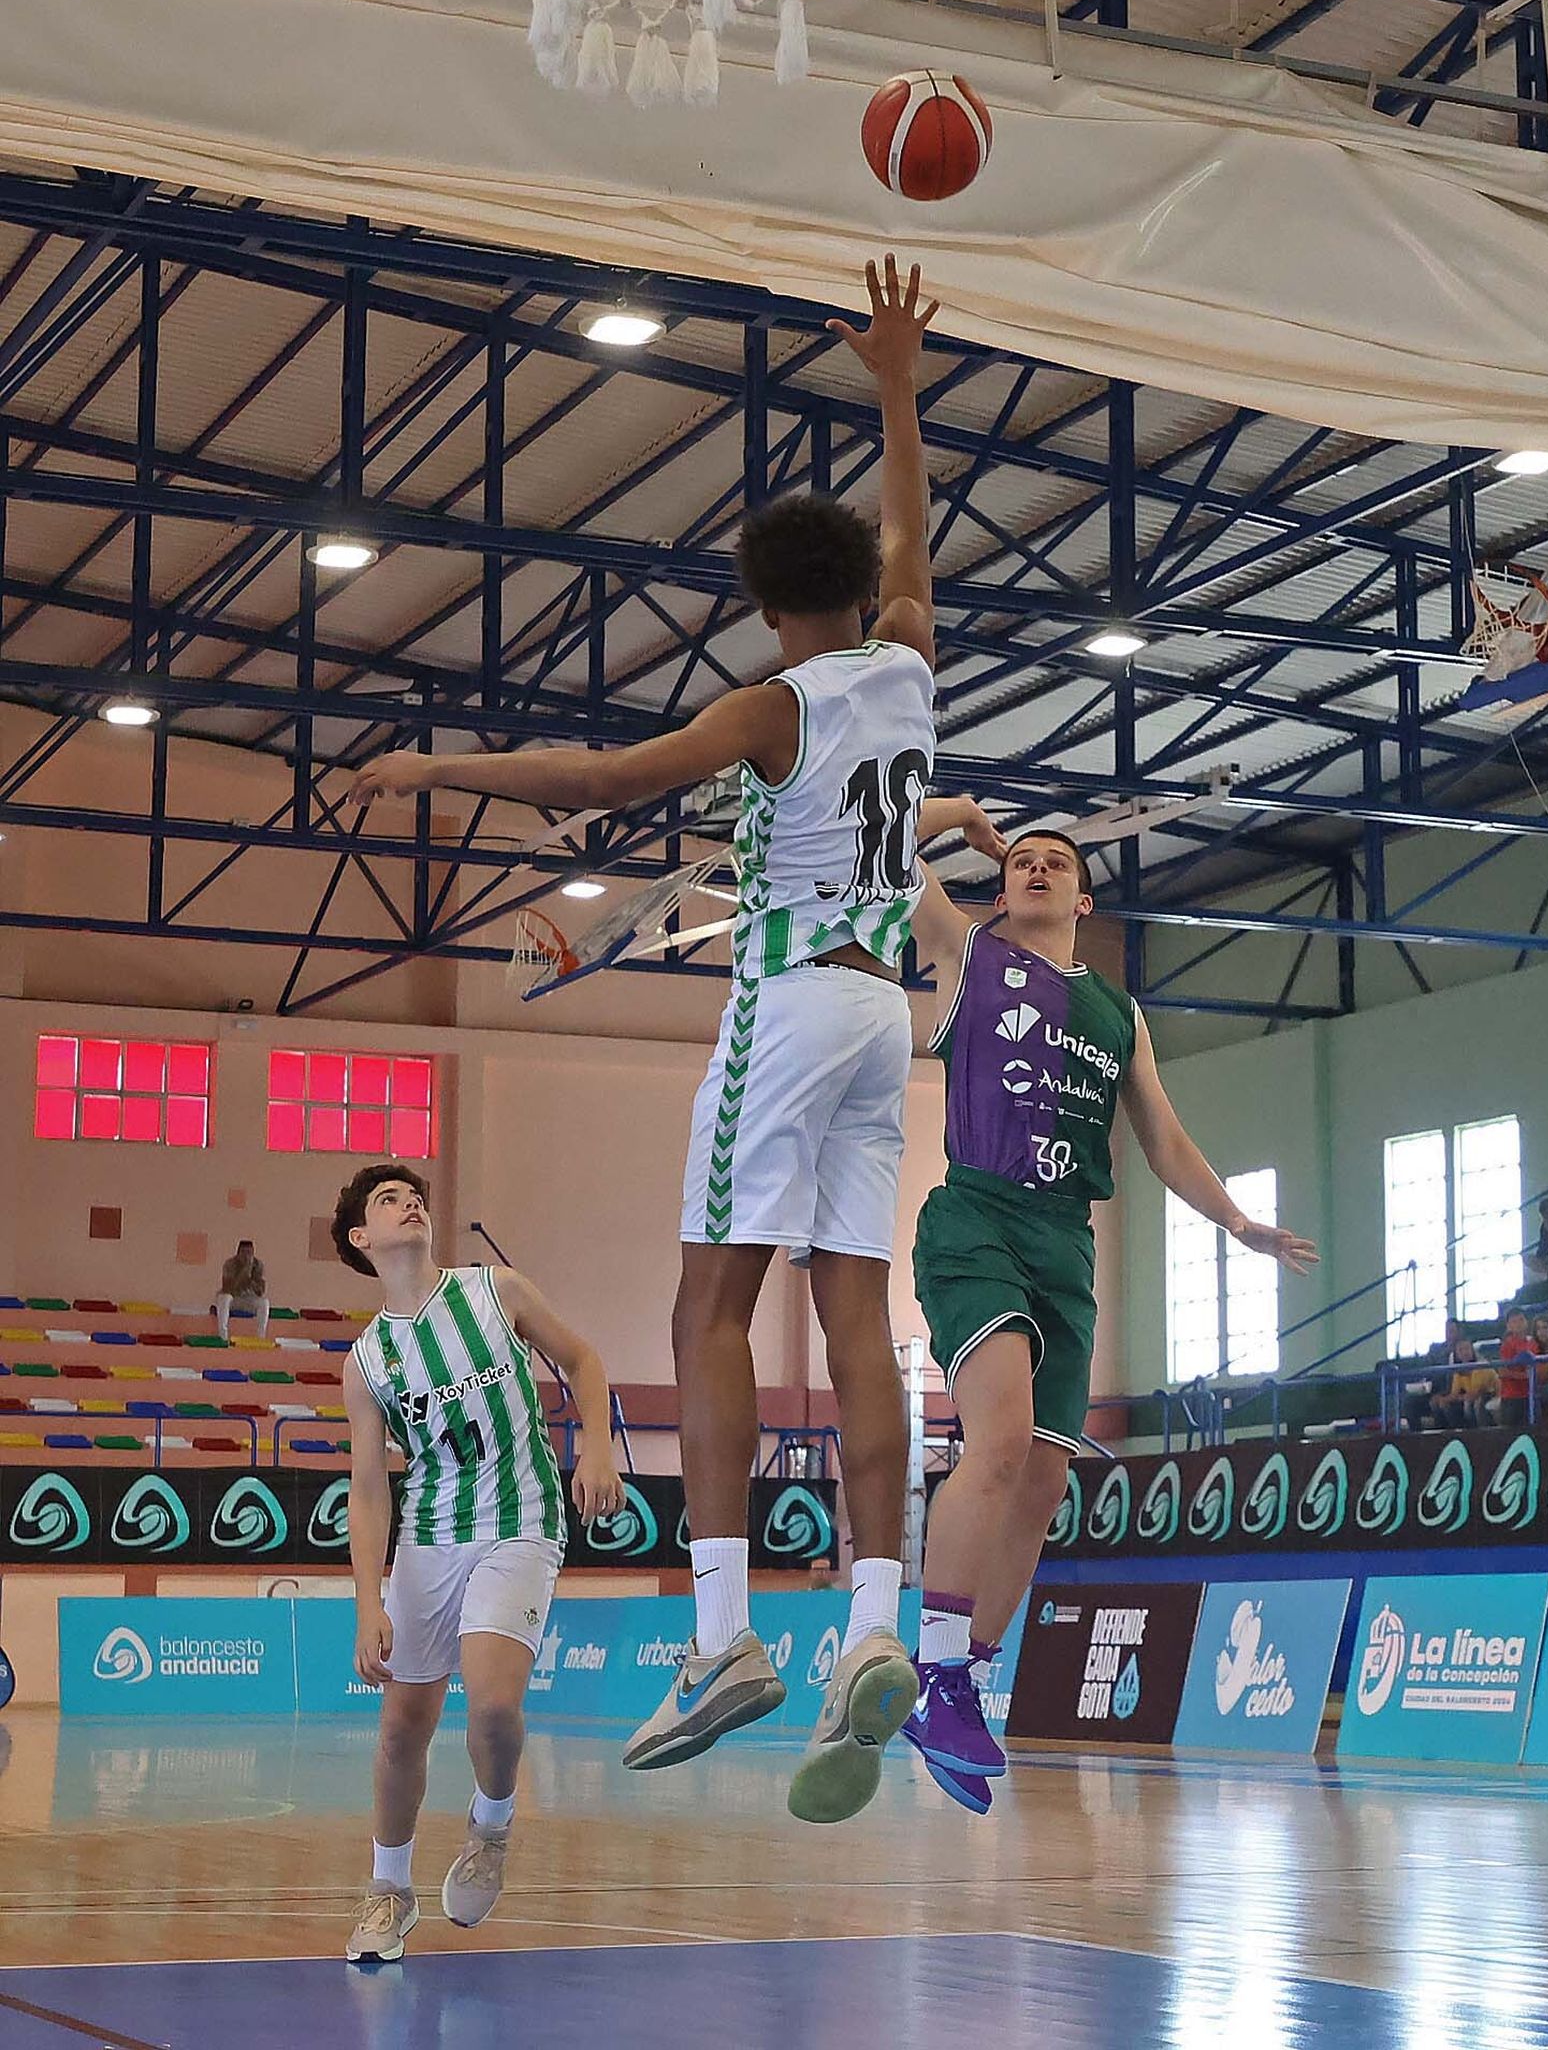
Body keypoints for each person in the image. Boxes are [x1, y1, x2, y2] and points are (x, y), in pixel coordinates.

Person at [350, 257, 941, 1827]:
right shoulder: (908, 663)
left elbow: (607, 783)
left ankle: (727, 1636)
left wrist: (433, 770)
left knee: (705, 1313)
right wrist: (895, 382)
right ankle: (875, 1629)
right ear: (854, 582)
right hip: (891, 1018)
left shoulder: (779, 704)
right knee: (861, 1324)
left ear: (762, 604)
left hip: (796, 995)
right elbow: (912, 543)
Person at [898, 813, 1317, 1813]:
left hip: (1065, 1240)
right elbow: (881, 836)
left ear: (1082, 900)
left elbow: (1163, 1141)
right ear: (1002, 892)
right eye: (1019, 863)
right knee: (995, 1447)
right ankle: (936, 1669)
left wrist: (1239, 1223)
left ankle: (967, 1681)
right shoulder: (967, 951)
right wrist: (954, 820)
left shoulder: (1118, 1015)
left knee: (1041, 1483)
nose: (1035, 869)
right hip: (978, 1217)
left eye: (1055, 864)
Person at [337, 1164, 623, 1963]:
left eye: (413, 1193)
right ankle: (389, 1892)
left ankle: (491, 1826)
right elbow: (367, 1489)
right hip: (428, 1537)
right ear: (362, 1240)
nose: (410, 1201)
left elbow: (585, 1361)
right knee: (403, 1727)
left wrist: (596, 1448)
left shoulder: (497, 1291)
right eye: (388, 1200)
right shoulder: (366, 1362)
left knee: (493, 1706)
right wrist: (369, 1602)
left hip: (520, 1520)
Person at [1401, 1314, 1463, 1434]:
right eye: (1447, 1331)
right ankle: (1417, 1436)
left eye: (1452, 1331)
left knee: (1442, 1404)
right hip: (1433, 1390)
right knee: (1409, 1402)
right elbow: (1429, 1372)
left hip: (1455, 1393)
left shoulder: (1464, 1349)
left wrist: (1444, 1395)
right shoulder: (1436, 1350)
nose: (1449, 1335)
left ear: (1459, 1332)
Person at [1428, 1335, 1496, 1431]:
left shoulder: (1481, 1366)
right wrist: (1443, 1399)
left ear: (1472, 1350)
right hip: (1471, 1396)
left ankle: (1481, 1433)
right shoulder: (1459, 1370)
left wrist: (1461, 1397)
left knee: (1473, 1404)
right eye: (1460, 1350)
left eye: (1467, 1348)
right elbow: (1454, 1394)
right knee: (1445, 1405)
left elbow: (1477, 1392)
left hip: (1490, 1394)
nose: (1464, 1352)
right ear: (1457, 1354)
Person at [212, 1240, 269, 1342]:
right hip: (233, 1299)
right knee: (224, 1298)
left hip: (248, 1300)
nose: (246, 1256)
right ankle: (223, 1336)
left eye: (249, 1253)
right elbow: (228, 1289)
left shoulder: (258, 1265)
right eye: (244, 1253)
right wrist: (243, 1273)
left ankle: (261, 1337)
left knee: (264, 1303)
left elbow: (261, 1291)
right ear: (238, 1253)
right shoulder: (229, 1264)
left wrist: (251, 1280)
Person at [1495, 1307, 1539, 1427]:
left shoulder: (1532, 1344)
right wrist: (1524, 1376)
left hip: (1529, 1395)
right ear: (1508, 1325)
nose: (1518, 1324)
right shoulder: (1507, 1345)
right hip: (1511, 1397)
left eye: (1521, 1320)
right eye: (1514, 1321)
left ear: (1526, 1322)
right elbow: (1502, 1371)